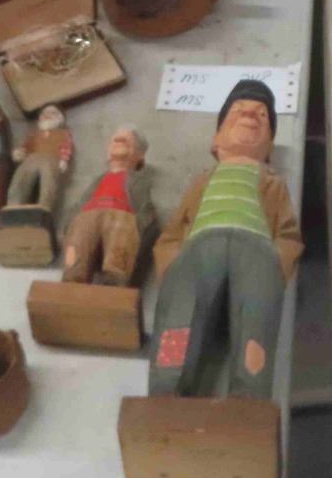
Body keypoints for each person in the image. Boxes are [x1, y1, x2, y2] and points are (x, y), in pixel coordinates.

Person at [147, 81, 302, 401]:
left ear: (270, 147)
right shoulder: (203, 180)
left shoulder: (273, 183)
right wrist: (172, 265)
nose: (250, 116)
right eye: (238, 111)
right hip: (198, 249)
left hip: (257, 252)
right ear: (216, 139)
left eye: (262, 115)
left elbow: (287, 233)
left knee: (255, 323)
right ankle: (166, 395)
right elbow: (175, 230)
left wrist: (276, 266)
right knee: (179, 319)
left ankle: (249, 400)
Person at [62, 126, 153, 286]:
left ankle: (114, 286)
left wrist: (141, 226)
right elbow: (81, 202)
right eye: (116, 140)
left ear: (140, 155)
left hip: (122, 215)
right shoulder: (99, 179)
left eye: (128, 141)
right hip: (88, 215)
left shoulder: (139, 180)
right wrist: (70, 223)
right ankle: (71, 282)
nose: (119, 141)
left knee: (118, 254)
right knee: (77, 250)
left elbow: (145, 205)